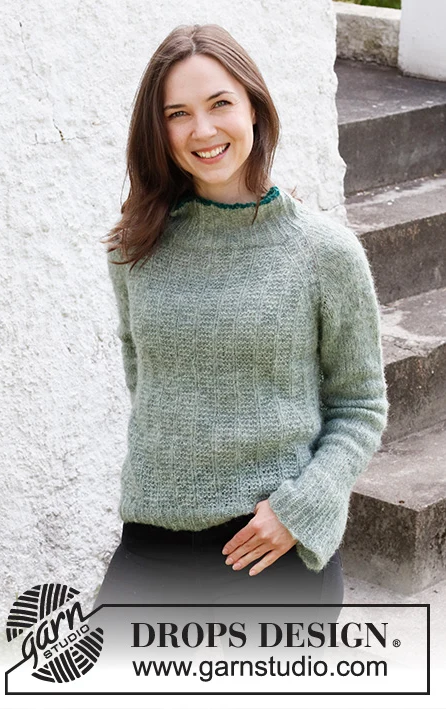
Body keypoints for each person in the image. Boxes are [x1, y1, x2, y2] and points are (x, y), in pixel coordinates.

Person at [93, 24, 388, 628]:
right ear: (158, 130)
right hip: (153, 540)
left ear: (254, 106)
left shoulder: (324, 253)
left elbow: (360, 405)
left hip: (273, 546)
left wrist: (301, 509)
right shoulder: (135, 247)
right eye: (178, 114)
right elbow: (144, 377)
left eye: (220, 103)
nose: (202, 130)